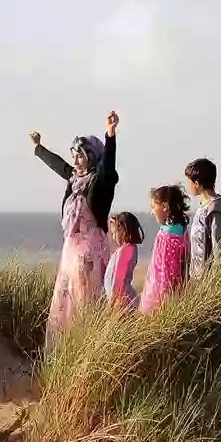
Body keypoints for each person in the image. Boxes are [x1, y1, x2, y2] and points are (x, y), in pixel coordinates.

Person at [29, 111, 120, 343]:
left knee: (86, 299)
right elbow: (59, 165)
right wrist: (39, 147)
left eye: (80, 156)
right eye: (74, 155)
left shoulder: (100, 181)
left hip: (90, 251)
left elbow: (108, 165)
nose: (76, 160)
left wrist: (110, 134)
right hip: (72, 250)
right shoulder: (74, 178)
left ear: (91, 157)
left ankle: (88, 340)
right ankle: (69, 344)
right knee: (67, 298)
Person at [183, 158, 221, 279]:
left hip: (208, 280)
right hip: (198, 278)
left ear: (197, 183)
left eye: (189, 182)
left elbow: (220, 252)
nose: (188, 186)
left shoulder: (215, 211)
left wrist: (213, 286)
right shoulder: (204, 207)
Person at [140, 185, 190, 313]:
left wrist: (163, 304)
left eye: (153, 207)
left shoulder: (168, 237)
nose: (152, 212)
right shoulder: (182, 231)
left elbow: (167, 273)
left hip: (158, 299)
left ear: (165, 207)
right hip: (179, 292)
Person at [105, 211, 144, 309]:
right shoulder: (127, 249)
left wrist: (112, 301)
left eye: (114, 233)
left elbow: (119, 279)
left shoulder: (127, 250)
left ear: (124, 231)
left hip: (121, 300)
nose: (113, 237)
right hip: (120, 298)